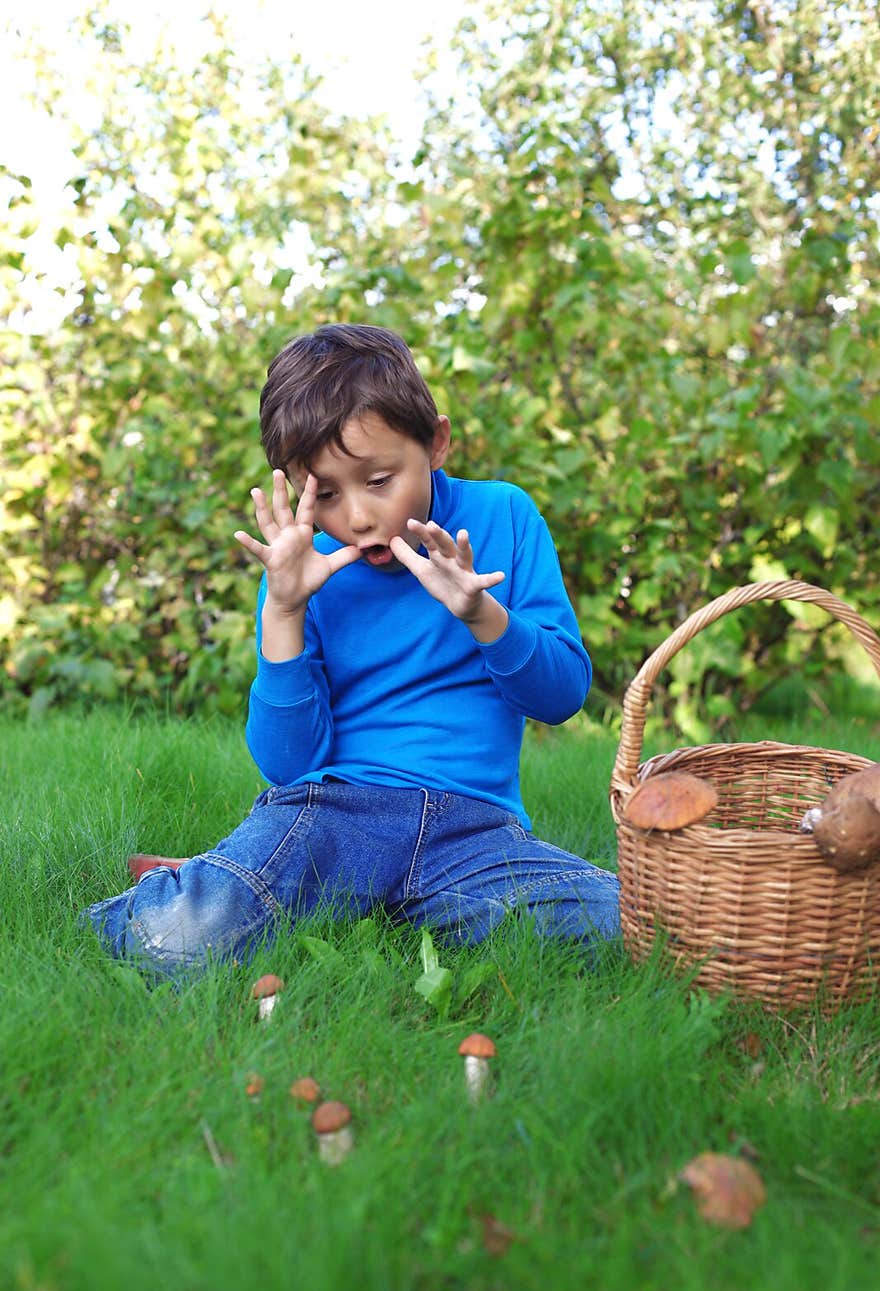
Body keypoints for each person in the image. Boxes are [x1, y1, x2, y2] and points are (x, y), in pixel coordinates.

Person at [81, 324, 620, 973]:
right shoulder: (298, 568)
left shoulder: (503, 515)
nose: (359, 517)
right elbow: (287, 764)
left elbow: (562, 697)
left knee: (627, 926)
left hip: (474, 832)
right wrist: (284, 608)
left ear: (437, 443)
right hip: (331, 818)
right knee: (176, 939)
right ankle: (212, 885)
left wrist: (483, 615)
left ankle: (346, 898)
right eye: (327, 494)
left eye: (381, 479)